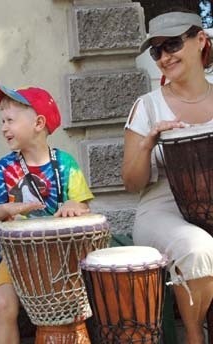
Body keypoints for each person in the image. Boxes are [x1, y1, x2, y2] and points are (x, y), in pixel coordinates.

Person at [122, 9, 213, 344]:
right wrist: (147, 144)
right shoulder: (147, 107)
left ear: (200, 41)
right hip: (163, 209)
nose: (164, 56)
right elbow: (132, 184)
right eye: (156, 50)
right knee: (199, 248)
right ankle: (194, 334)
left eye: (172, 44)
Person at [0, 84, 94, 344]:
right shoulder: (5, 168)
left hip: (61, 258)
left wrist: (73, 204)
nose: (3, 127)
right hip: (16, 257)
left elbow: (85, 208)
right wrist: (6, 208)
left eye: (10, 120)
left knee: (71, 308)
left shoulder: (66, 164)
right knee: (2, 304)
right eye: (2, 121)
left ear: (38, 123)